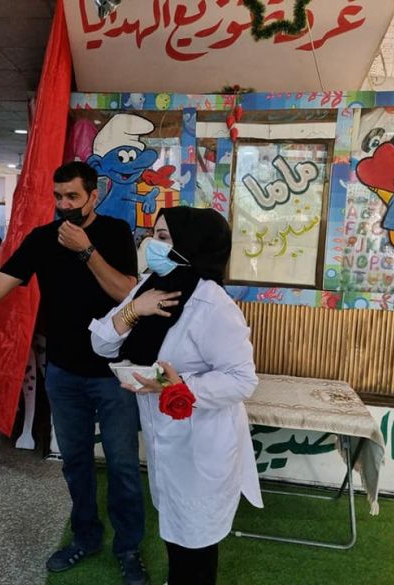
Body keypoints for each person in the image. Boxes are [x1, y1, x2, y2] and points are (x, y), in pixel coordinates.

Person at [0, 161, 148, 585]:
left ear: (94, 196)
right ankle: (85, 536)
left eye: (73, 197)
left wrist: (86, 250)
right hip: (63, 373)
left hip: (113, 373)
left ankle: (128, 547)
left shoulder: (115, 232)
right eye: (59, 197)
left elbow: (126, 293)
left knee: (122, 465)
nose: (64, 205)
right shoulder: (42, 239)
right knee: (76, 463)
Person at [90, 207, 263, 585]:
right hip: (164, 438)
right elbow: (101, 343)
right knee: (176, 527)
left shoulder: (212, 304)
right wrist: (134, 309)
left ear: (191, 244)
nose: (152, 245)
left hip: (201, 446)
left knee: (196, 539)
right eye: (153, 235)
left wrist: (176, 384)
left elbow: (241, 380)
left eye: (164, 238)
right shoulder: (150, 287)